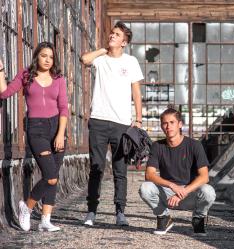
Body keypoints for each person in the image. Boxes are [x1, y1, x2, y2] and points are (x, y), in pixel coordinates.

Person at [0, 42, 68, 232]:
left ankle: (46, 219)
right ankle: (27, 208)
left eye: (51, 57)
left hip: (57, 127)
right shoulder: (26, 75)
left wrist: (61, 133)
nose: (47, 60)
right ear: (36, 56)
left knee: (53, 173)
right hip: (36, 128)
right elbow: (5, 93)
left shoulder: (59, 79)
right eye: (44, 55)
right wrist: (1, 69)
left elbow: (64, 108)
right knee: (50, 175)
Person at [80, 21, 143, 226]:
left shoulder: (131, 61)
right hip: (98, 120)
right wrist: (102, 49)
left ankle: (120, 212)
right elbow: (84, 59)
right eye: (112, 33)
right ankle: (91, 211)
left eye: (117, 35)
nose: (112, 36)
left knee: (120, 170)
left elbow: (136, 92)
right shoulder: (101, 59)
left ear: (124, 42)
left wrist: (139, 119)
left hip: (121, 123)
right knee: (96, 167)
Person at [139, 107, 216, 235]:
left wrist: (183, 191)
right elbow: (149, 174)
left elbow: (204, 177)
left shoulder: (194, 145)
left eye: (172, 122)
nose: (168, 126)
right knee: (145, 188)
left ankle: (198, 218)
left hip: (190, 193)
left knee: (208, 191)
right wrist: (172, 185)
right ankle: (164, 218)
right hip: (168, 194)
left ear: (180, 124)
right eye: (165, 123)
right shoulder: (157, 146)